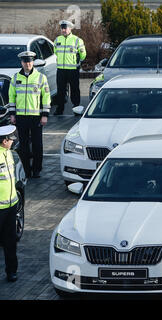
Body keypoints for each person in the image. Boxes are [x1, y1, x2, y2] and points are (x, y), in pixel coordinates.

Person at [8, 51, 50, 179]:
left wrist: (44, 115)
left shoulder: (41, 78)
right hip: (21, 117)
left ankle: (36, 169)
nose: (28, 64)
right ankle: (26, 170)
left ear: (33, 62)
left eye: (30, 61)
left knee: (37, 145)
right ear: (22, 62)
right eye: (25, 61)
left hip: (36, 117)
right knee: (24, 145)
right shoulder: (15, 78)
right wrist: (12, 114)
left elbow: (46, 97)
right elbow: (11, 97)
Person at [54, 20, 86, 115]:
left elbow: (83, 54)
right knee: (60, 91)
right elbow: (55, 51)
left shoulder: (77, 40)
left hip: (73, 70)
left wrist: (77, 59)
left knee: (75, 90)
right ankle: (60, 109)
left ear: (70, 28)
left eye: (65, 28)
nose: (63, 30)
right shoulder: (57, 40)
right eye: (62, 28)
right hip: (61, 70)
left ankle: (76, 109)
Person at [0, 125, 19, 282]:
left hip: (11, 206)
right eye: (10, 140)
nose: (13, 142)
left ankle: (11, 271)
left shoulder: (9, 154)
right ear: (4, 141)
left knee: (10, 241)